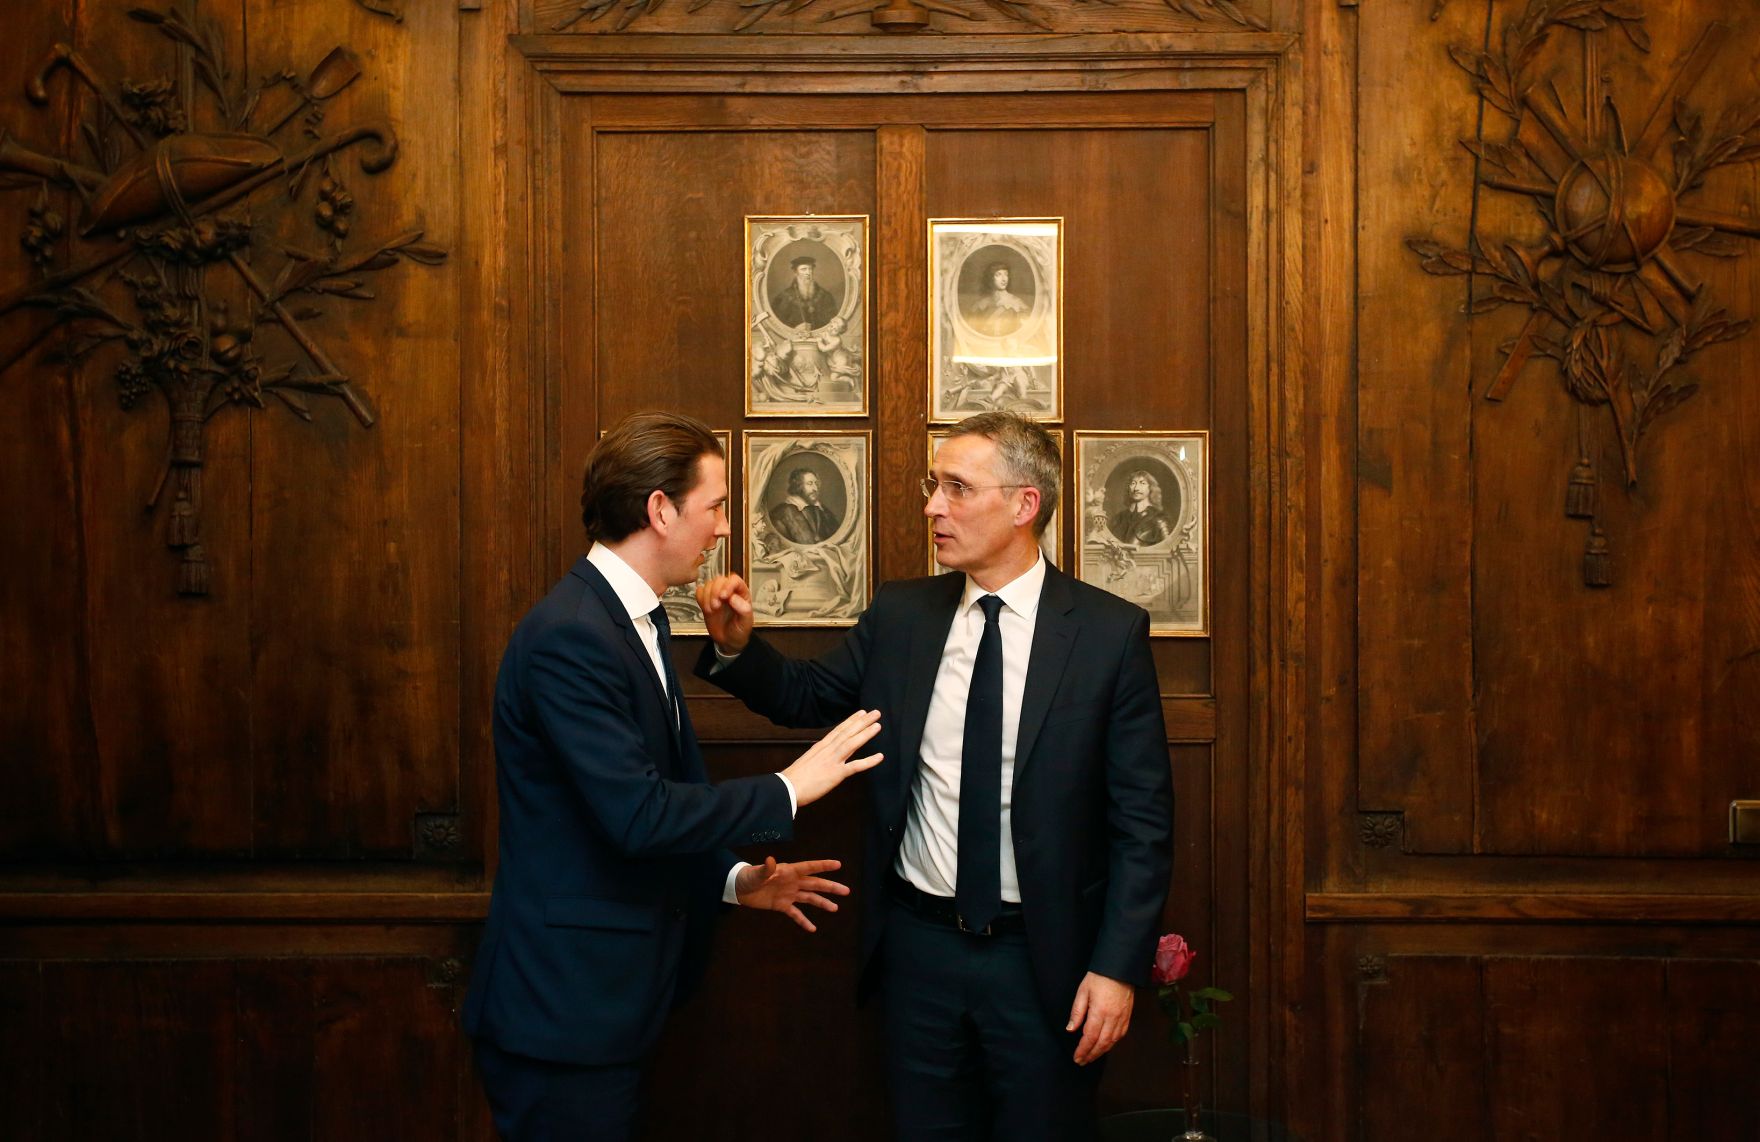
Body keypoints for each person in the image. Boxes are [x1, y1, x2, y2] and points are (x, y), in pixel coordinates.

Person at [696, 411, 1172, 1141]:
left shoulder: (1107, 634)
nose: (931, 507)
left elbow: (1142, 825)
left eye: (955, 487)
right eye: (932, 485)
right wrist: (737, 649)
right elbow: (807, 698)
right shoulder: (903, 614)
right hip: (918, 950)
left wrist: (1116, 968)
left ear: (1023, 504)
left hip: (1043, 958)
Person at [463, 411, 885, 1142]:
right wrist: (790, 786)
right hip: (565, 1012)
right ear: (660, 509)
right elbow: (637, 814)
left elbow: (637, 804)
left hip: (612, 1006)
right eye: (715, 505)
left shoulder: (637, 621)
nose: (723, 528)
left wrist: (732, 882)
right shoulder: (571, 635)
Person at [767, 467, 839, 544]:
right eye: (810, 483)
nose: (815, 488)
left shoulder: (822, 510)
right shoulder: (781, 512)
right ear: (798, 486)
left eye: (816, 483)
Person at [771, 254, 839, 331]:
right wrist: (794, 329)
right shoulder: (783, 297)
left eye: (810, 269)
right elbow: (777, 323)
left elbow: (833, 321)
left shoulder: (825, 296)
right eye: (803, 269)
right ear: (795, 273)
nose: (808, 273)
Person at [964, 261, 1031, 337]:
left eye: (1006, 274)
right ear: (990, 277)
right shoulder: (979, 305)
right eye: (998, 275)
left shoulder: (1017, 304)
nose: (1004, 279)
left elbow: (1022, 332)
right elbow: (972, 331)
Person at [1108, 469, 1173, 546]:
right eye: (1133, 483)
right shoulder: (1118, 519)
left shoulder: (1159, 518)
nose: (1136, 488)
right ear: (1128, 488)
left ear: (1150, 488)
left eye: (1142, 483)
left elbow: (1168, 548)